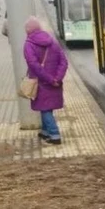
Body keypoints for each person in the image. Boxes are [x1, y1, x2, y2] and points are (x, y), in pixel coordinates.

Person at [23, 17, 69, 145]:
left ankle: (54, 135)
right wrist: (57, 78)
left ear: (28, 30)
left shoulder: (29, 44)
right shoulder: (53, 41)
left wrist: (49, 79)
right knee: (47, 107)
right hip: (55, 82)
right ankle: (45, 131)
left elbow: (34, 65)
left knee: (45, 108)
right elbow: (63, 62)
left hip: (41, 82)